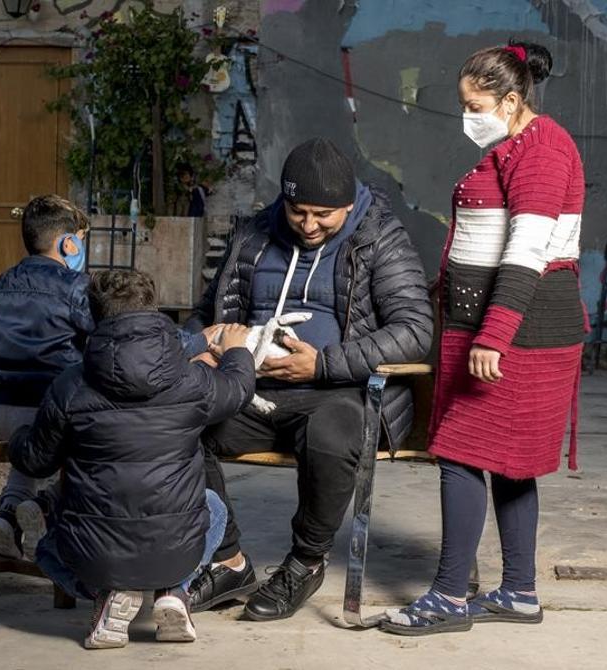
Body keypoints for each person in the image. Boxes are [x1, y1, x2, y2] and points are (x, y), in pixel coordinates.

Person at [380, 40, 586, 637]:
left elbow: (528, 250)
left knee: (462, 454)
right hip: (489, 325)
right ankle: (519, 591)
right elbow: (485, 235)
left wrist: (493, 335)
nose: (467, 114)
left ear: (512, 99)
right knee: (510, 464)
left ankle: (447, 598)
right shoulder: (511, 146)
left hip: (521, 333)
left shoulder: (543, 149)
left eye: (475, 104)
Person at [185, 137, 434, 621]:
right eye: (299, 211)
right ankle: (228, 559)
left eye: (324, 215)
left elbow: (414, 330)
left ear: (348, 203)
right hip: (248, 389)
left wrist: (321, 364)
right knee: (178, 422)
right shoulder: (256, 233)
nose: (309, 224)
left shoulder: (379, 236)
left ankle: (306, 560)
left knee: (333, 433)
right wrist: (205, 345)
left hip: (338, 391)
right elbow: (206, 308)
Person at [8, 269, 258, 649]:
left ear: (93, 318)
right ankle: (175, 590)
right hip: (177, 553)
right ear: (154, 311)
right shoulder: (191, 381)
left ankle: (110, 595)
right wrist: (238, 351)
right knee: (214, 507)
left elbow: (36, 462)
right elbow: (238, 389)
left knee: (44, 543)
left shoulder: (71, 385)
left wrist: (16, 436)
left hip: (94, 560)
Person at [0, 194, 92, 560]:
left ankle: (8, 517)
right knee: (97, 441)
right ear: (69, 243)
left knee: (29, 447)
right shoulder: (76, 289)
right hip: (51, 415)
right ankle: (47, 509)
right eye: (81, 240)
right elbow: (102, 344)